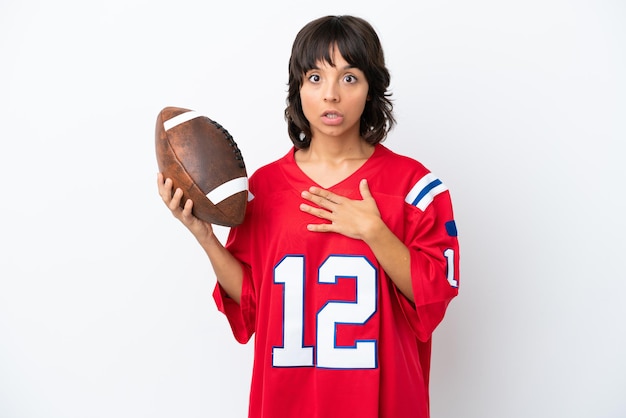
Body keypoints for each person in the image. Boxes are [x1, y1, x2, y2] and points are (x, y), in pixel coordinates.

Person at [157, 15, 459, 418]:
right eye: (315, 78)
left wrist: (374, 232)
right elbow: (252, 305)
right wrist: (205, 236)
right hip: (287, 401)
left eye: (349, 78)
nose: (331, 94)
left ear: (371, 89)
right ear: (298, 88)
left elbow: (434, 293)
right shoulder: (263, 189)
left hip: (382, 403)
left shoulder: (415, 186)